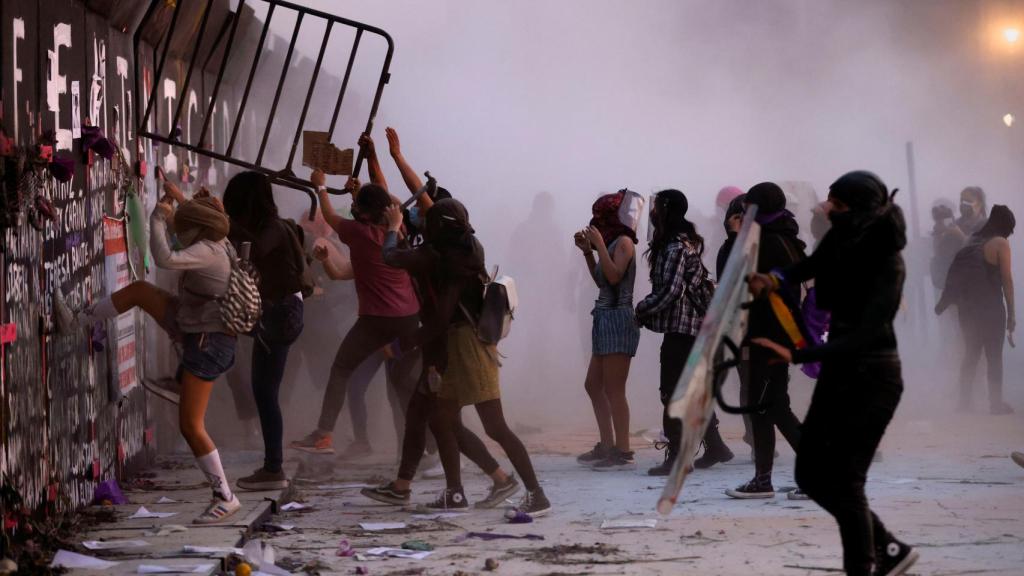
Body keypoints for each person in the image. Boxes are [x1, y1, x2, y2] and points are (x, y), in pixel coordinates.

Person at [750, 171, 917, 576]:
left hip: (873, 378)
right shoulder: (839, 240)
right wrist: (772, 279)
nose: (827, 210)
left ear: (859, 212)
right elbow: (806, 267)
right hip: (839, 372)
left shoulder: (887, 263)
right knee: (810, 472)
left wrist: (797, 353)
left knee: (846, 479)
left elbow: (864, 336)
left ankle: (866, 565)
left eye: (837, 206)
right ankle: (889, 548)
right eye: (829, 202)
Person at [54, 182, 241, 524]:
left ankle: (224, 496)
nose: (179, 231)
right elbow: (191, 225)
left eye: (185, 227)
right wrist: (179, 202)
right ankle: (76, 321)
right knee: (140, 291)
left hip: (206, 341)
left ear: (199, 228)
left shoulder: (207, 251)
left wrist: (157, 217)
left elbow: (165, 257)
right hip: (194, 324)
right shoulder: (217, 241)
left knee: (191, 425)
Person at [367, 199, 551, 515]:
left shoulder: (442, 258)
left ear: (439, 227)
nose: (423, 223)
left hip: (466, 346)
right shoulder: (468, 248)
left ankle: (536, 495)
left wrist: (401, 345)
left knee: (495, 427)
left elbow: (436, 315)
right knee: (443, 419)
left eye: (429, 220)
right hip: (461, 345)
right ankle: (455, 493)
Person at [289, 135, 422, 456]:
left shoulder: (357, 234)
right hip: (409, 319)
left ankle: (324, 434)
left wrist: (320, 186)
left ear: (362, 214)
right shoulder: (397, 229)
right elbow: (385, 196)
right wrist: (365, 178)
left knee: (342, 369)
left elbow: (332, 218)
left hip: (377, 320)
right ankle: (422, 447)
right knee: (404, 387)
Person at [220, 171, 308, 490]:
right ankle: (272, 467)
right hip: (279, 312)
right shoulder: (268, 226)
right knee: (263, 391)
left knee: (265, 392)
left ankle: (274, 469)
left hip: (281, 314)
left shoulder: (272, 228)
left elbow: (255, 250)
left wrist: (221, 221)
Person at [636, 189, 732, 477]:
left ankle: (678, 457)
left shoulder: (676, 248)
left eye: (656, 208)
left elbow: (671, 291)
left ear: (666, 210)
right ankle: (715, 447)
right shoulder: (680, 244)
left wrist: (640, 309)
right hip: (691, 330)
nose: (652, 214)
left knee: (672, 393)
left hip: (685, 331)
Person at [727, 182, 806, 497]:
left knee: (762, 407)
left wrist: (735, 238)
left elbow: (738, 280)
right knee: (776, 407)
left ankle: (763, 480)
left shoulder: (766, 242)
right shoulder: (788, 237)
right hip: (781, 335)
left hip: (766, 335)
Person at [574, 191, 640, 470]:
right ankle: (607, 444)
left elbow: (614, 276)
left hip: (618, 318)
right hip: (604, 317)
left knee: (614, 388)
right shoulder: (612, 242)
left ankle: (622, 449)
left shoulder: (623, 242)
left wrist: (599, 244)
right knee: (593, 385)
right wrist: (588, 252)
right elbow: (601, 279)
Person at [936, 205, 1016, 414]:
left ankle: (964, 404)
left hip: (968, 310)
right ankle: (995, 404)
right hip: (991, 309)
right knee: (994, 357)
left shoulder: (971, 241)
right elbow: (1007, 280)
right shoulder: (1000, 243)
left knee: (970, 356)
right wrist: (1012, 315)